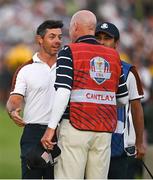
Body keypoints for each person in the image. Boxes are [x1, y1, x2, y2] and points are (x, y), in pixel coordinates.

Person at [41, 10, 128, 179]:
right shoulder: (114, 56)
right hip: (104, 130)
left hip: (76, 125)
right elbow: (123, 99)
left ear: (74, 27)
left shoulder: (69, 51)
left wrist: (51, 128)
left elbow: (64, 92)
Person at [6, 20, 63, 179]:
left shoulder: (67, 67)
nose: (57, 40)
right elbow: (15, 99)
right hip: (33, 133)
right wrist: (12, 111)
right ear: (40, 39)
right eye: (52, 36)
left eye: (59, 36)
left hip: (62, 133)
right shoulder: (26, 69)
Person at [95, 22, 145, 179]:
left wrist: (139, 142)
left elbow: (137, 108)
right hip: (91, 143)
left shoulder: (128, 71)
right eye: (98, 38)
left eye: (107, 39)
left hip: (119, 145)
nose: (101, 42)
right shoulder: (85, 67)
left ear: (116, 43)